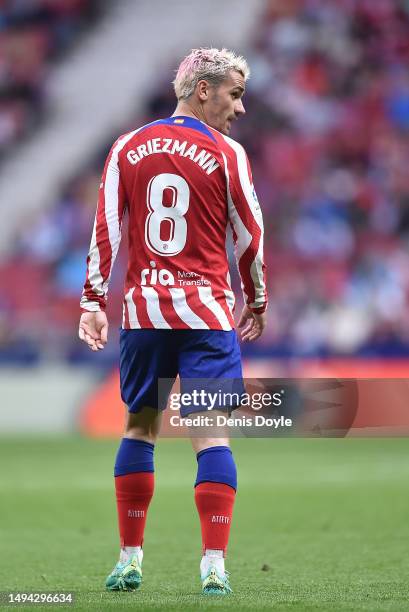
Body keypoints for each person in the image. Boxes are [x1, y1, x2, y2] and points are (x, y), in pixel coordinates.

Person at [78, 47, 267, 596]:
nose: (240, 108)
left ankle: (129, 559)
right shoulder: (227, 153)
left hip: (143, 312)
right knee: (211, 438)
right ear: (202, 89)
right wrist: (255, 299)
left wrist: (93, 301)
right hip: (206, 313)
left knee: (140, 426)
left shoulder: (127, 146)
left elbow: (106, 230)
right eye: (235, 94)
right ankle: (214, 566)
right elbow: (251, 236)